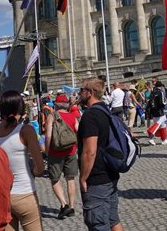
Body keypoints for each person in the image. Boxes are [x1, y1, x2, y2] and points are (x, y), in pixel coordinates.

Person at [0, 90, 44, 231]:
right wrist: (33, 171)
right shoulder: (26, 130)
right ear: (21, 108)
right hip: (24, 193)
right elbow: (40, 167)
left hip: (2, 196)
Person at [78, 77, 124, 231]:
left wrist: (83, 177)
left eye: (81, 90)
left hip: (97, 177)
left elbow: (89, 151)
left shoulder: (90, 115)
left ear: (90, 92)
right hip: (111, 172)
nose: (79, 93)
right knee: (113, 220)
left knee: (98, 224)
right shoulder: (105, 109)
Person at [45, 94, 79, 220]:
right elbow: (78, 130)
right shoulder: (72, 116)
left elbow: (48, 136)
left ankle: (64, 205)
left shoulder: (52, 116)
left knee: (55, 179)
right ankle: (72, 206)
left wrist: (47, 151)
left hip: (56, 152)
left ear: (57, 104)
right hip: (71, 151)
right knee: (70, 178)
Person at [147, 81, 167, 146]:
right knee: (157, 125)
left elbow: (149, 101)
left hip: (154, 111)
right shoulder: (160, 92)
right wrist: (166, 102)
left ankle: (164, 139)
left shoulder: (153, 92)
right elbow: (162, 102)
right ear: (161, 86)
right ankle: (151, 138)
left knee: (163, 125)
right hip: (160, 111)